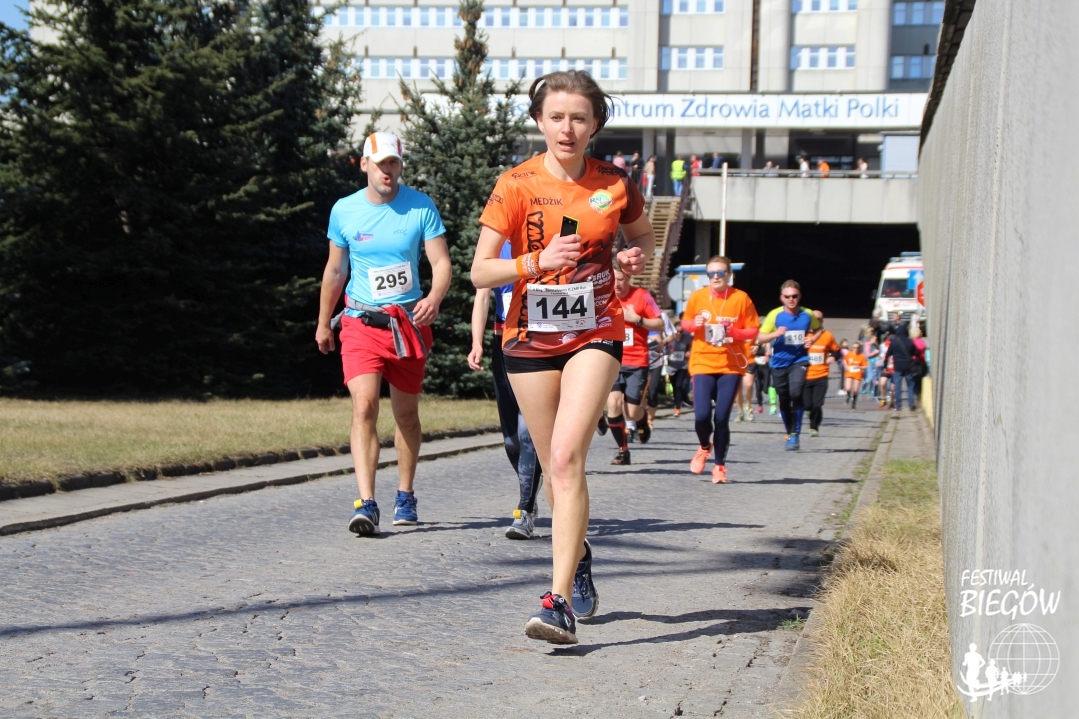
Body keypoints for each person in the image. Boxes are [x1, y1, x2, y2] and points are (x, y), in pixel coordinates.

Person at [471, 70, 655, 645]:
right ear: (539, 121)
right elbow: (480, 271)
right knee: (554, 467)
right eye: (556, 117)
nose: (567, 128)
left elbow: (643, 238)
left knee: (567, 456)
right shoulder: (515, 184)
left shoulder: (616, 183)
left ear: (595, 123)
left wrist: (632, 260)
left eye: (579, 117)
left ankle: (556, 605)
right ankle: (577, 555)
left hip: (594, 330)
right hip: (529, 337)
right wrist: (535, 261)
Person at [316, 131, 452, 537]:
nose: (387, 171)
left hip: (407, 324)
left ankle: (405, 494)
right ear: (364, 165)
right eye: (380, 164)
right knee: (364, 406)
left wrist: (434, 297)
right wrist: (323, 322)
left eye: (394, 163)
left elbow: (441, 263)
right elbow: (335, 270)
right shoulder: (344, 210)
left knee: (405, 414)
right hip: (360, 321)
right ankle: (366, 502)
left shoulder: (421, 206)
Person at [467, 250, 547, 540]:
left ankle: (525, 508)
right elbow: (482, 295)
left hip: (540, 340)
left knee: (528, 433)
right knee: (512, 439)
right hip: (504, 340)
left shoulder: (543, 239)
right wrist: (476, 342)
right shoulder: (496, 246)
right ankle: (533, 485)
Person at [681, 256, 760, 483]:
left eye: (720, 273)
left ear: (728, 275)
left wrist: (734, 332)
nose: (715, 277)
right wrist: (693, 324)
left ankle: (720, 467)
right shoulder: (698, 297)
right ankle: (704, 446)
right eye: (711, 273)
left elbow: (753, 330)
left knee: (722, 417)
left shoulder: (741, 298)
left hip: (730, 365)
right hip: (703, 362)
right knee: (702, 416)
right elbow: (685, 324)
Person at [607, 267, 665, 463]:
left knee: (631, 412)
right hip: (612, 360)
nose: (616, 283)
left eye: (620, 279)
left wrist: (637, 319)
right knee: (613, 405)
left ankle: (641, 420)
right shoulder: (602, 297)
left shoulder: (642, 295)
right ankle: (623, 450)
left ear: (628, 278)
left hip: (636, 361)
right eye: (612, 279)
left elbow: (660, 324)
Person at [758, 281, 820, 451]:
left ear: (799, 296)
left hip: (799, 360)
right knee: (784, 398)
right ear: (782, 298)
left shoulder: (808, 314)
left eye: (794, 296)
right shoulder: (775, 315)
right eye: (787, 296)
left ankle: (795, 434)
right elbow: (760, 337)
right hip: (779, 363)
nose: (791, 299)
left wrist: (811, 339)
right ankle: (790, 431)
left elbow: (819, 329)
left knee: (796, 393)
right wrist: (775, 334)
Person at [803, 311, 840, 437]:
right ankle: (809, 414)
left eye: (819, 318)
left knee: (817, 404)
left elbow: (836, 350)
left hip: (821, 375)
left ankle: (814, 427)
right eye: (814, 318)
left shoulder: (828, 335)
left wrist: (833, 357)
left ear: (822, 320)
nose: (816, 320)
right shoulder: (804, 335)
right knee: (808, 405)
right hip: (806, 375)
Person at [644, 310, 677, 428]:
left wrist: (663, 342)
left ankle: (649, 419)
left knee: (653, 391)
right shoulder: (632, 315)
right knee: (638, 392)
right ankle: (638, 419)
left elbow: (672, 334)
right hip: (638, 359)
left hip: (656, 360)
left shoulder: (661, 315)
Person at [884, 323, 916, 411]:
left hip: (897, 366)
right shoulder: (909, 341)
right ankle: (911, 406)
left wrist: (885, 364)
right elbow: (915, 352)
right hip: (908, 366)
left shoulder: (894, 342)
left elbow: (888, 354)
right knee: (910, 386)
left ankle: (898, 406)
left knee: (897, 386)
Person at [667, 327, 692, 417]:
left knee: (678, 385)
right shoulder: (670, 338)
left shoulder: (686, 338)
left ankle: (677, 407)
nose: (679, 333)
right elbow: (663, 349)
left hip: (682, 366)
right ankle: (676, 402)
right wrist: (668, 352)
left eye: (681, 332)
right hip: (671, 367)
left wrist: (688, 352)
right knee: (674, 386)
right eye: (677, 331)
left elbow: (691, 346)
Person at [844, 341, 868, 409]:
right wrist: (846, 366)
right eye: (854, 347)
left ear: (859, 348)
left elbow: (865, 366)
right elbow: (844, 360)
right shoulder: (849, 354)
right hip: (849, 373)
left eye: (857, 348)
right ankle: (848, 396)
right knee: (848, 388)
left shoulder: (862, 356)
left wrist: (859, 367)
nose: (855, 349)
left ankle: (854, 402)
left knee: (855, 390)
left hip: (857, 374)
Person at [751, 341, 772, 413]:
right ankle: (760, 406)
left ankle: (773, 404)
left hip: (765, 368)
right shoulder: (754, 343)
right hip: (757, 368)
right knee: (758, 387)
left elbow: (769, 352)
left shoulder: (767, 343)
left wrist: (767, 353)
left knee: (766, 389)